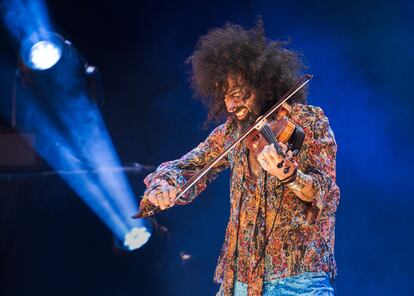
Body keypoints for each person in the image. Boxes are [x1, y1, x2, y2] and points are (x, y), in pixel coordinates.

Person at [138, 20, 340, 296]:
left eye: (237, 94)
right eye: (225, 97)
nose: (231, 105)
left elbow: (326, 194)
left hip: (297, 281)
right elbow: (187, 166)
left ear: (263, 84)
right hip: (239, 283)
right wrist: (163, 186)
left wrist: (291, 177)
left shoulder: (308, 120)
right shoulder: (232, 133)